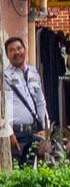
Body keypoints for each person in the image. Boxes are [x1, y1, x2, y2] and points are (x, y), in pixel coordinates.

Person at [4, 35, 49, 165]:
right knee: (15, 172)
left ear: (25, 49)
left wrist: (44, 128)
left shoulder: (33, 73)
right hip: (15, 135)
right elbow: (1, 109)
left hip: (33, 132)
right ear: (7, 55)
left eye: (19, 48)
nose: (16, 52)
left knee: (31, 172)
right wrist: (8, 133)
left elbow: (40, 102)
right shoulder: (5, 78)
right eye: (11, 50)